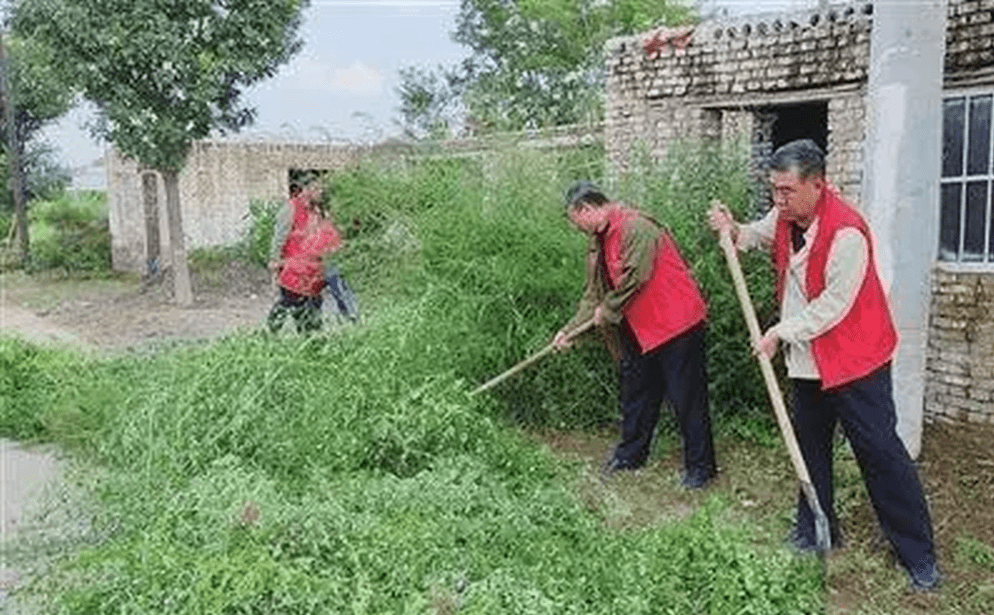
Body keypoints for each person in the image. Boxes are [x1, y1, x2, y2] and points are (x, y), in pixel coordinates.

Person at [708, 139, 940, 592]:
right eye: (774, 189)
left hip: (856, 360)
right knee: (809, 445)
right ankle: (817, 531)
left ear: (817, 185)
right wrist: (733, 229)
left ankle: (918, 555)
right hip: (809, 362)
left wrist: (779, 332)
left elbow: (834, 305)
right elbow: (757, 234)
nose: (778, 199)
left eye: (787, 190)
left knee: (880, 454)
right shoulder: (786, 214)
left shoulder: (846, 232)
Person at [553, 181, 717, 489]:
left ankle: (701, 467)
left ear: (586, 209)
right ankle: (631, 455)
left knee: (686, 398)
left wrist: (607, 309)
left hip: (675, 324)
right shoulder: (597, 241)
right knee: (636, 393)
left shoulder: (637, 227)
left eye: (576, 221)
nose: (577, 228)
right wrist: (570, 331)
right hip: (638, 327)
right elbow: (593, 295)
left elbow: (636, 277)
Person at [267, 182, 342, 334]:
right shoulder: (291, 209)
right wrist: (275, 264)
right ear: (306, 190)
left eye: (321, 189)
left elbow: (329, 238)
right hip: (294, 270)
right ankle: (270, 335)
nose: (320, 193)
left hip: (314, 273)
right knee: (291, 304)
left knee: (312, 309)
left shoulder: (319, 211)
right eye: (317, 189)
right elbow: (279, 239)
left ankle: (310, 342)